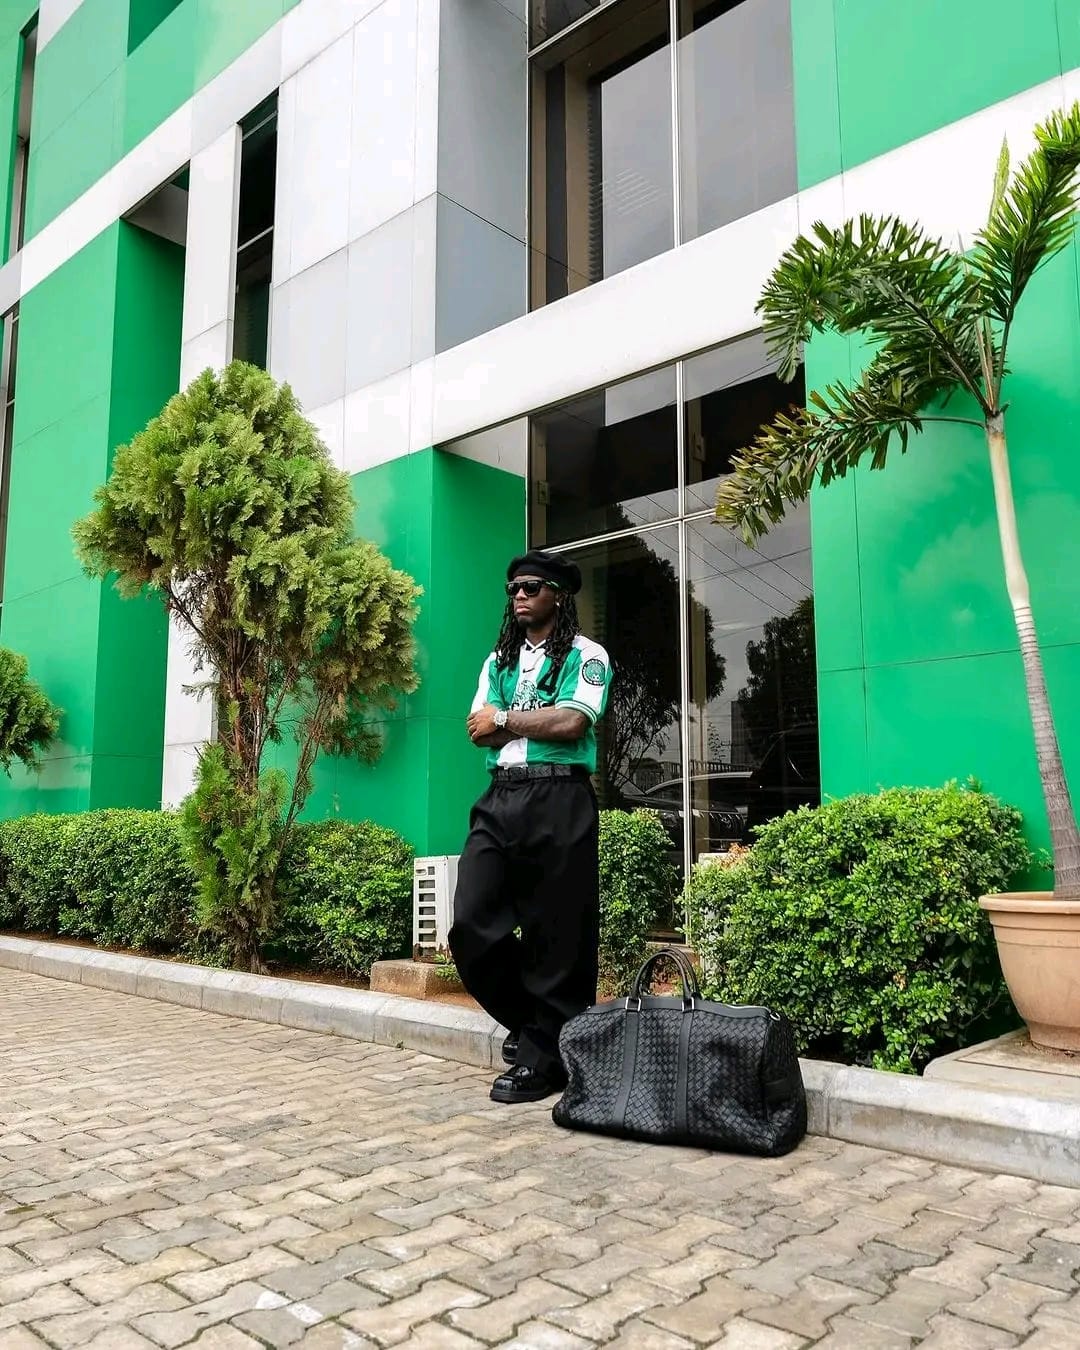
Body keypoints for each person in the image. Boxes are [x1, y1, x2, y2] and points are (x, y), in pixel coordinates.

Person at [449, 550, 612, 1104]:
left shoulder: (587, 655)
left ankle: (545, 1059)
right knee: (472, 926)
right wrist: (510, 723)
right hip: (501, 796)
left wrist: (507, 720)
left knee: (556, 934)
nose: (519, 595)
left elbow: (571, 721)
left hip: (559, 796)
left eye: (531, 586)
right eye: (513, 586)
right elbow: (477, 729)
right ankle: (541, 1030)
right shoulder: (498, 659)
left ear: (558, 595)